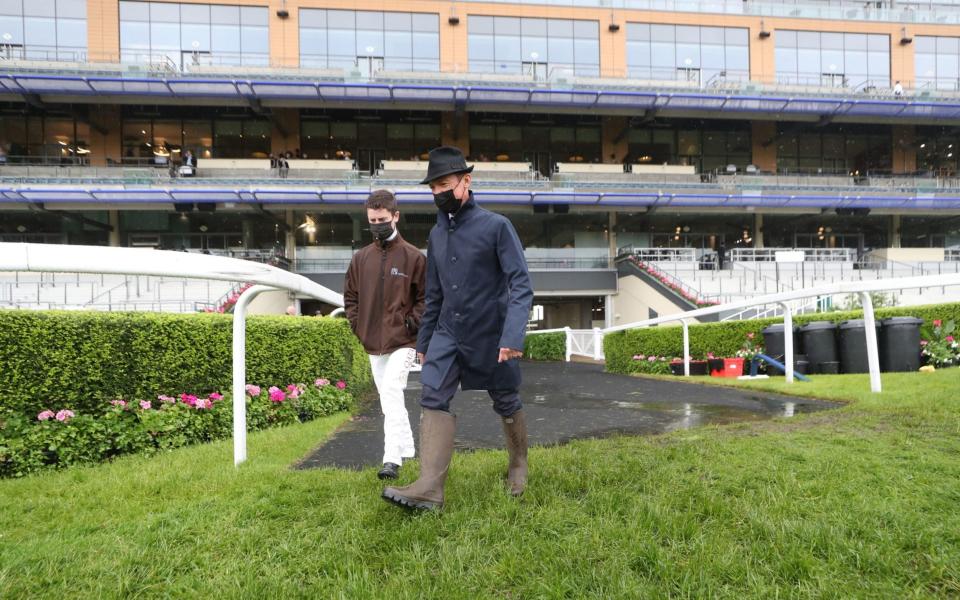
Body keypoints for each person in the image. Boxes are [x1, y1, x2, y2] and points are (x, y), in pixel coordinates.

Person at [382, 146, 533, 511]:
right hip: (448, 333)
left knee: (506, 399)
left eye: (444, 185)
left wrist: (513, 336)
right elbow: (433, 294)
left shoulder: (497, 226)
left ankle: (518, 465)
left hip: (492, 332)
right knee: (432, 394)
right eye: (432, 188)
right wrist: (425, 340)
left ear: (466, 181)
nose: (438, 193)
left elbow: (521, 284)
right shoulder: (436, 235)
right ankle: (430, 488)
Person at [345, 190, 426, 480]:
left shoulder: (414, 257)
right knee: (388, 397)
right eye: (372, 220)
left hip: (403, 341)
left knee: (391, 389)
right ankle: (407, 448)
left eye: (382, 219)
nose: (377, 224)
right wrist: (358, 325)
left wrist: (410, 324)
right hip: (371, 342)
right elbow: (350, 298)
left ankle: (391, 459)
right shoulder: (360, 259)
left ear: (395, 216)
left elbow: (425, 299)